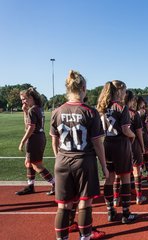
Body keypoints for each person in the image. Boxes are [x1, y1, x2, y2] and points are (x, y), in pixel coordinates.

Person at [50, 70, 109, 240]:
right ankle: (85, 236)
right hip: (84, 161)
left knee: (64, 205)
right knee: (85, 202)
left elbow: (54, 141)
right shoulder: (90, 112)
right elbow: (98, 143)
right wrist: (104, 166)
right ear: (84, 88)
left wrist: (58, 158)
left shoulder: (57, 112)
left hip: (62, 160)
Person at [97, 80, 138, 223]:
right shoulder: (121, 107)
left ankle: (110, 211)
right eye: (124, 91)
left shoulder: (101, 107)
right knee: (125, 178)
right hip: (121, 144)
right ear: (119, 91)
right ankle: (126, 214)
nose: (125, 94)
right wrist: (133, 136)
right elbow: (126, 130)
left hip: (107, 144)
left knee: (109, 179)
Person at [16, 87, 55, 196]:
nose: (23, 101)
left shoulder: (33, 110)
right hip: (39, 137)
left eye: (24, 99)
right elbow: (27, 124)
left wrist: (22, 141)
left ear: (31, 98)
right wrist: (24, 112)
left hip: (34, 139)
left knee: (36, 165)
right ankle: (30, 186)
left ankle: (55, 184)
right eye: (22, 99)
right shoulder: (38, 108)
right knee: (28, 163)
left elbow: (30, 128)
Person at [125, 90, 148, 205]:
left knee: (119, 174)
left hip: (120, 146)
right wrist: (143, 147)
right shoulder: (134, 114)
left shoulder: (116, 112)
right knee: (136, 170)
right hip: (133, 145)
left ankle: (116, 198)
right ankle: (139, 196)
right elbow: (139, 133)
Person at [137, 97, 148, 182]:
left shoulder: (130, 112)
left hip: (134, 137)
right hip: (144, 136)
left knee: (138, 157)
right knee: (146, 156)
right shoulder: (145, 112)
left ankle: (139, 174)